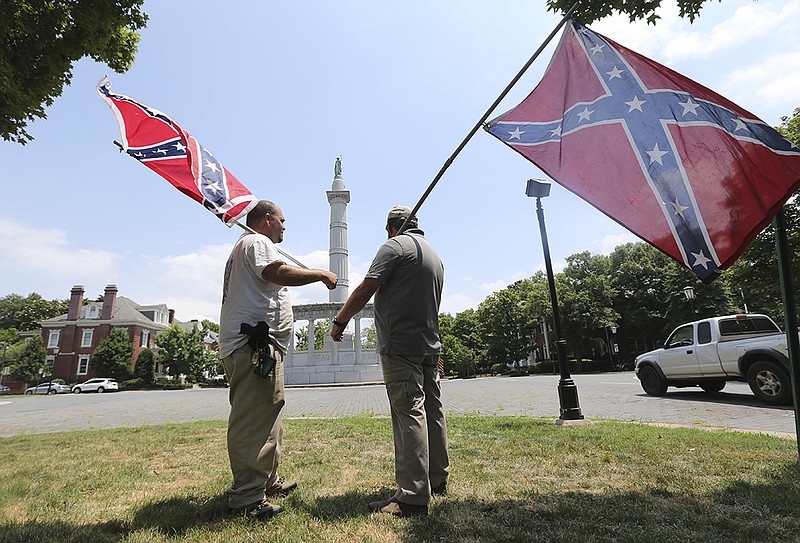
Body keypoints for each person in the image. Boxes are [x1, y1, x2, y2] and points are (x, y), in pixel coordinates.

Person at [219, 200, 338, 520]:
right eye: (282, 220)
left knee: (267, 416)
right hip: (252, 345)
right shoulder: (256, 242)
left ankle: (265, 481)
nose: (285, 226)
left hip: (256, 346)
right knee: (253, 419)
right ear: (268, 219)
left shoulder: (246, 246)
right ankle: (246, 497)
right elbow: (277, 271)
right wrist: (319, 274)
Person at [330, 205, 449, 518]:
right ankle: (437, 478)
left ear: (390, 227)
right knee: (432, 411)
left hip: (400, 345)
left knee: (409, 413)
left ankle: (411, 496)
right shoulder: (434, 255)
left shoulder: (394, 246)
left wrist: (340, 321)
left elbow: (366, 287)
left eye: (386, 229)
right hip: (429, 345)